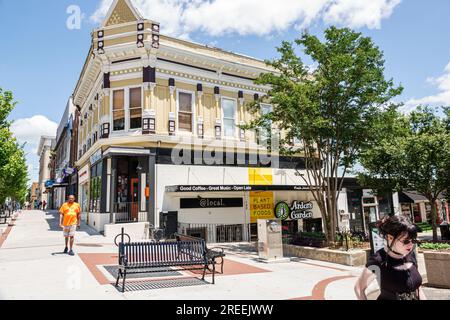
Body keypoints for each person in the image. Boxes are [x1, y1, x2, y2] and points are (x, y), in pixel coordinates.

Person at [354, 215, 426, 300]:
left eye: (413, 240)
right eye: (406, 241)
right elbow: (358, 288)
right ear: (390, 238)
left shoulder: (410, 255)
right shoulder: (378, 260)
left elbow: (418, 289)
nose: (411, 244)